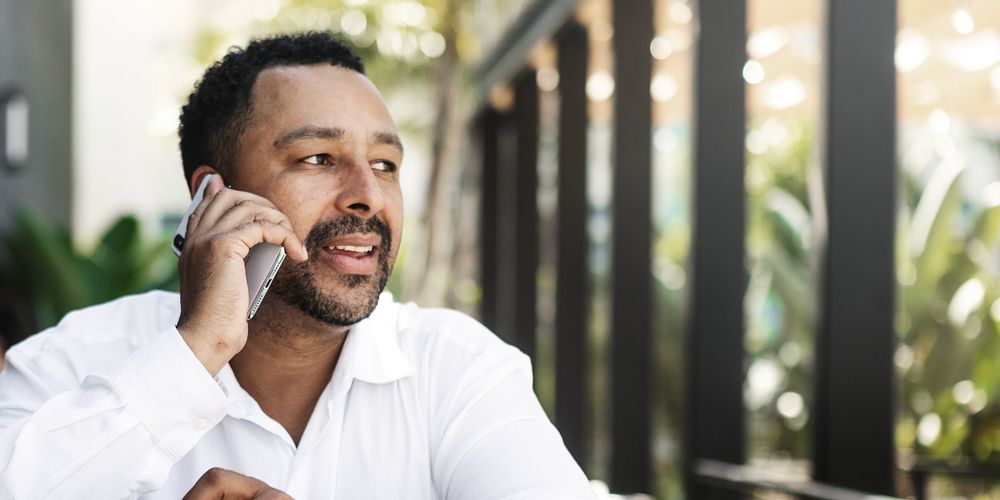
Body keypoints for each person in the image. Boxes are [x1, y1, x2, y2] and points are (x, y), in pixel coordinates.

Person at [0, 32, 595, 499]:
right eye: (318, 157)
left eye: (386, 164)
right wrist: (197, 350)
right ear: (213, 197)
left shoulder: (458, 370)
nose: (368, 194)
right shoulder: (71, 362)